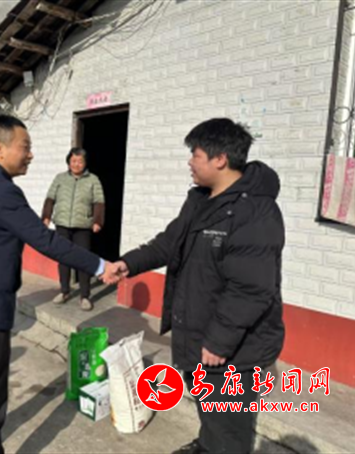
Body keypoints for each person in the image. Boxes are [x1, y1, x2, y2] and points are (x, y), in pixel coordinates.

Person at [103, 118, 285, 454]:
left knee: (229, 426)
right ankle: (207, 444)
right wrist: (128, 263)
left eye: (196, 155)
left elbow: (251, 288)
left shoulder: (256, 212)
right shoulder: (200, 201)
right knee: (209, 406)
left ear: (220, 159)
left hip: (234, 348)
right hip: (199, 331)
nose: (190, 162)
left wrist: (219, 340)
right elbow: (169, 242)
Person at [0, 115, 114, 454]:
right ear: (0, 148)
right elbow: (45, 241)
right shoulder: (3, 191)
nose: (30, 154)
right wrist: (99, 265)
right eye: (26, 147)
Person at [41, 147, 105, 311]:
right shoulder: (60, 178)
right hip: (62, 224)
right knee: (63, 259)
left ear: (85, 163)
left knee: (83, 260)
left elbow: (99, 201)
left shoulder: (93, 180)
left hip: (82, 226)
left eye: (80, 161)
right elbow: (50, 198)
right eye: (73, 161)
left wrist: (97, 221)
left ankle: (85, 296)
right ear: (68, 162)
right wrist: (46, 217)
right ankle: (64, 291)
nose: (77, 164)